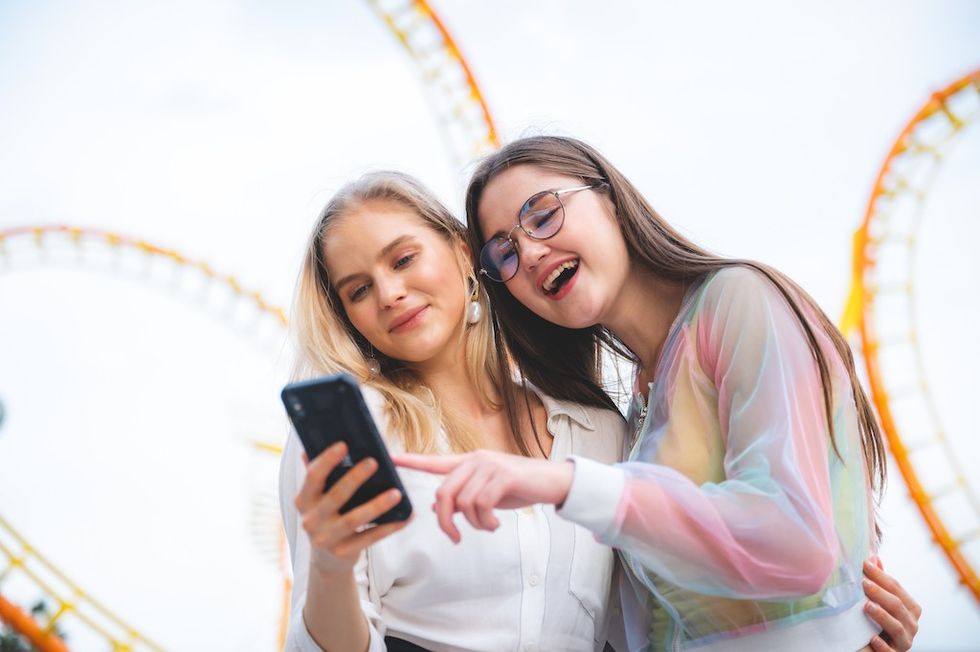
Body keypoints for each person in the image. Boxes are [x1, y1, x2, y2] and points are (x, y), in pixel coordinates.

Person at [395, 136, 922, 651]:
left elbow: (797, 543)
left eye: (543, 214)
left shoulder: (738, 299)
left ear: (611, 200)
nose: (529, 252)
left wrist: (566, 483)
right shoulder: (631, 415)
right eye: (504, 253)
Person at [278, 171, 626, 652]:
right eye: (358, 290)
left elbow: (637, 625)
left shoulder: (598, 431)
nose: (388, 293)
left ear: (463, 251)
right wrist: (329, 566)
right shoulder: (359, 437)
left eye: (403, 259)